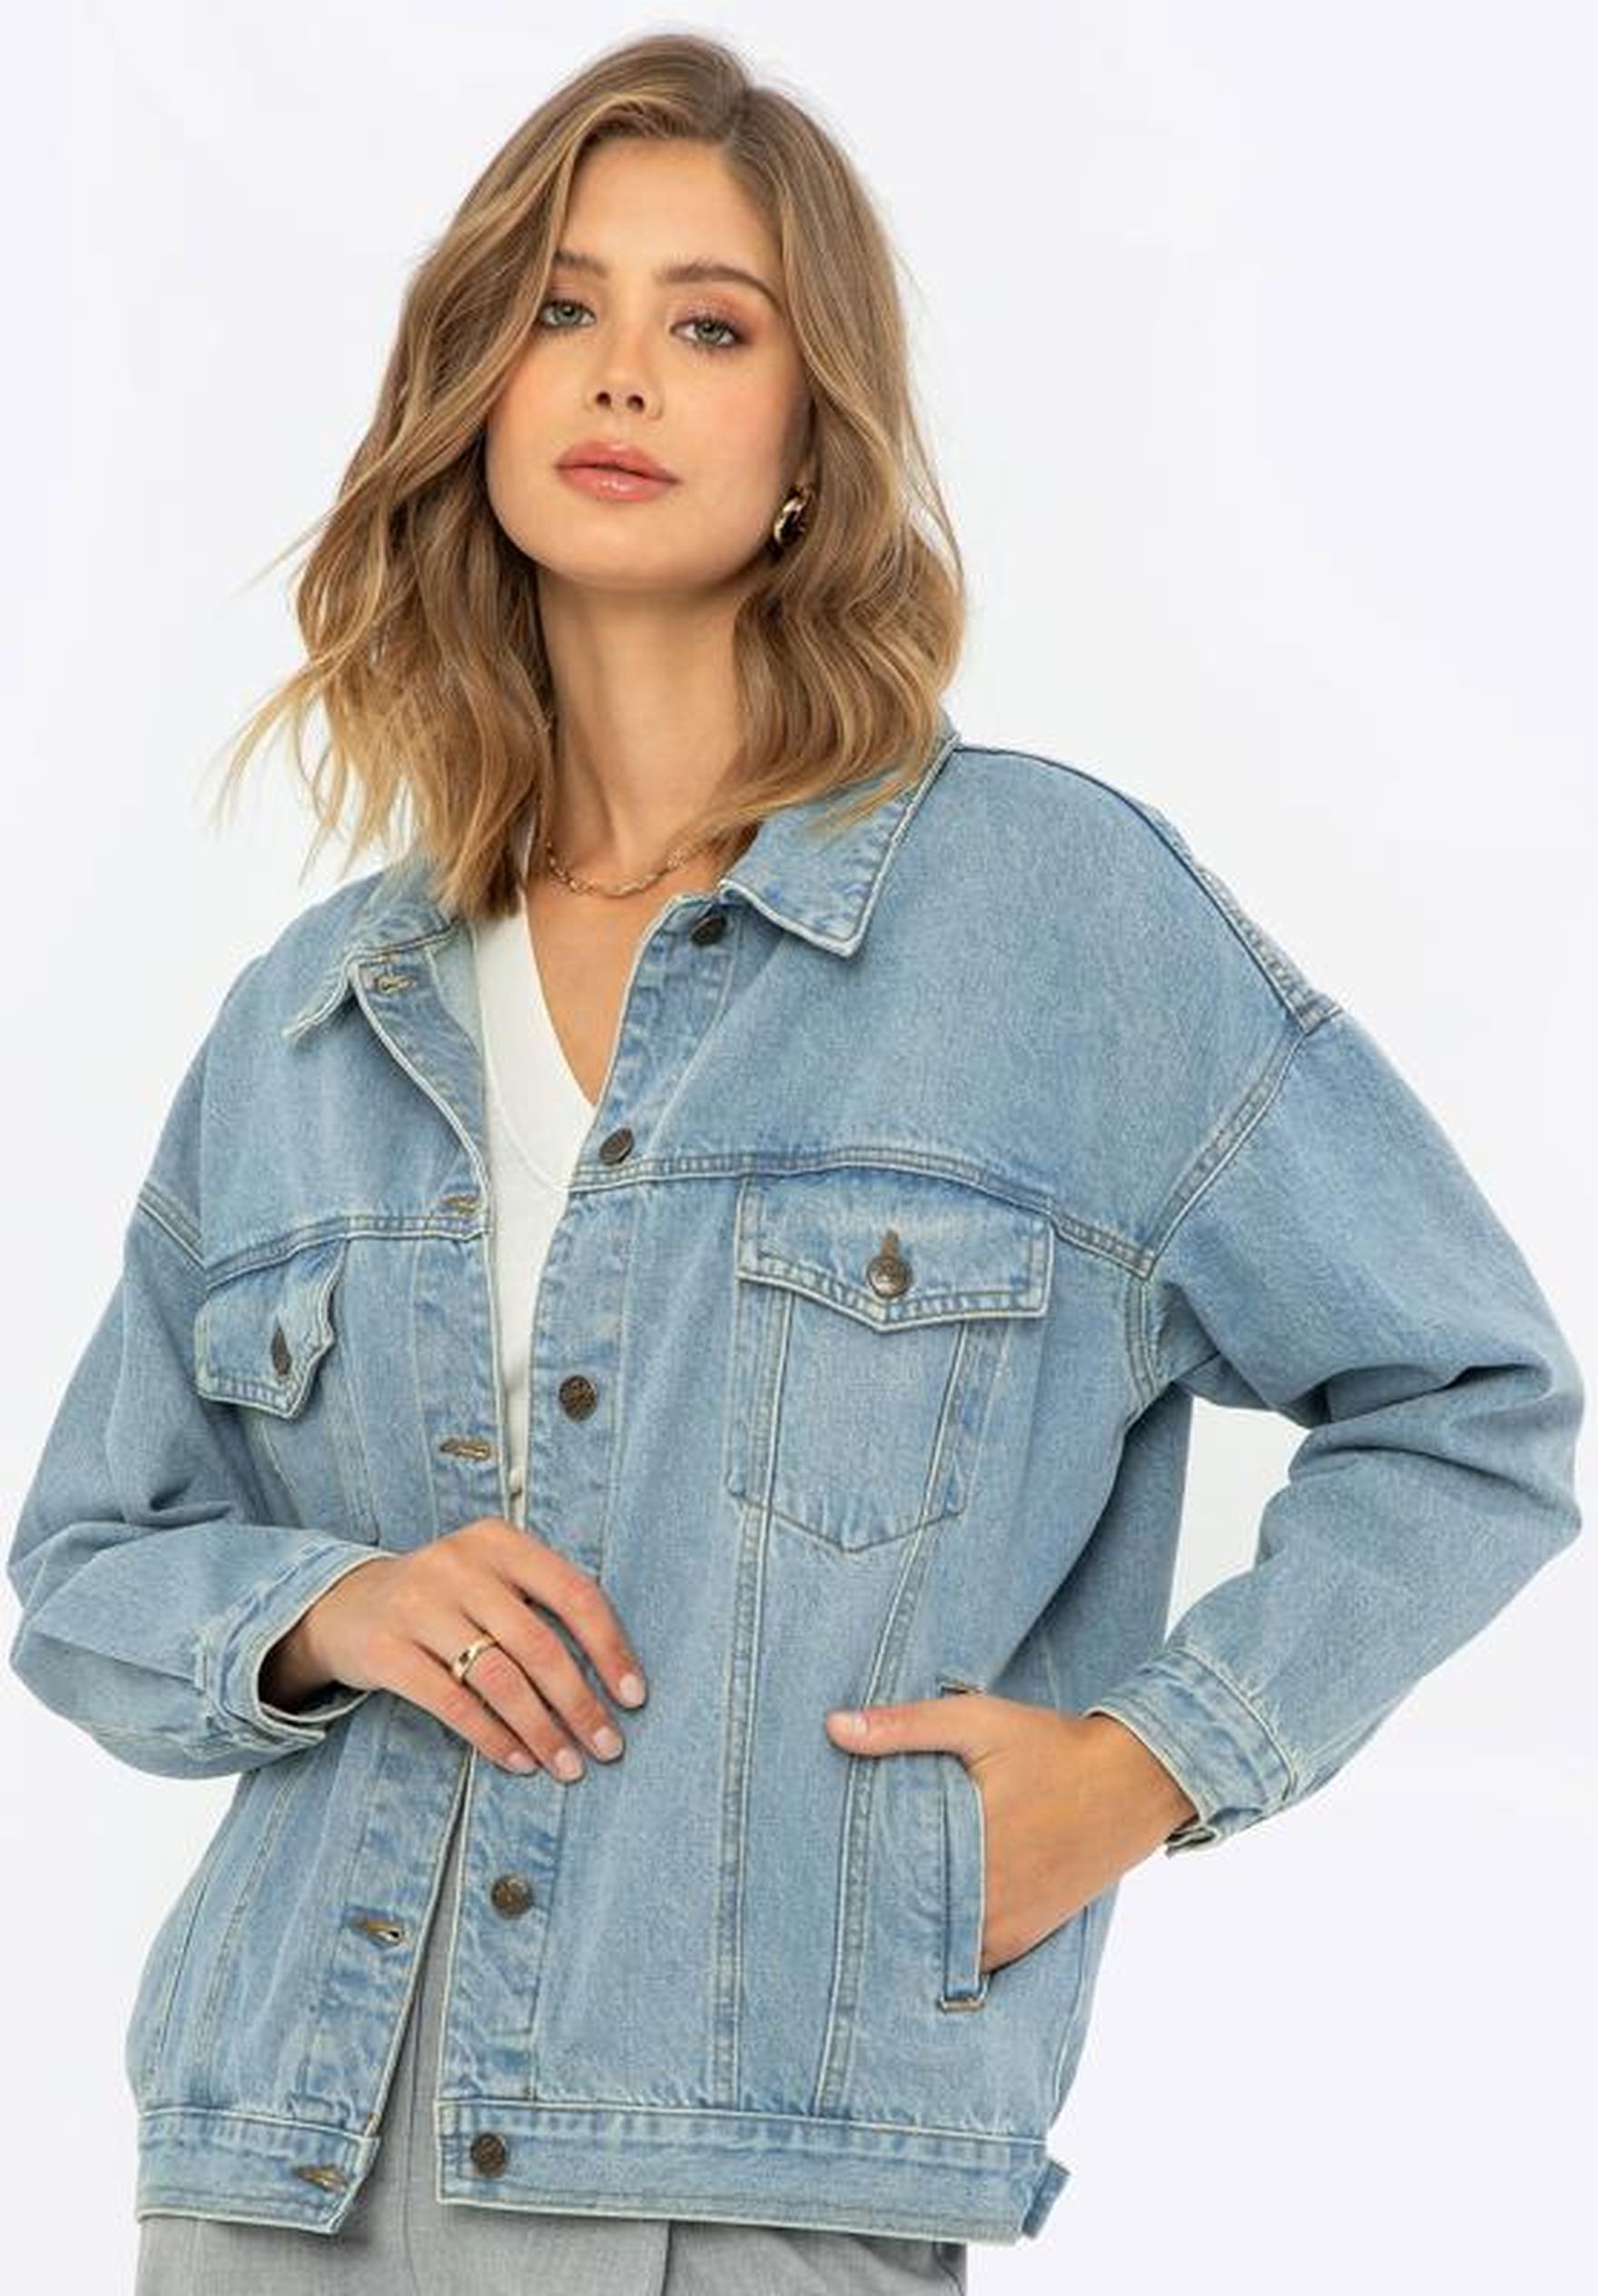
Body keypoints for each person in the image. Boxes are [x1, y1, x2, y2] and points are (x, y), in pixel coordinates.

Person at [6, 27, 1583, 2296]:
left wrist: (1144, 1766)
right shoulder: (310, 1016)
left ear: (809, 444)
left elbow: (1469, 1399)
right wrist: (325, 1606)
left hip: (767, 2170)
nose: (621, 371)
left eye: (711, 324)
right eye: (561, 307)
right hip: (285, 2168)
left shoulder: (1053, 918)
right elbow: (85, 1562)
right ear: (473, 393)